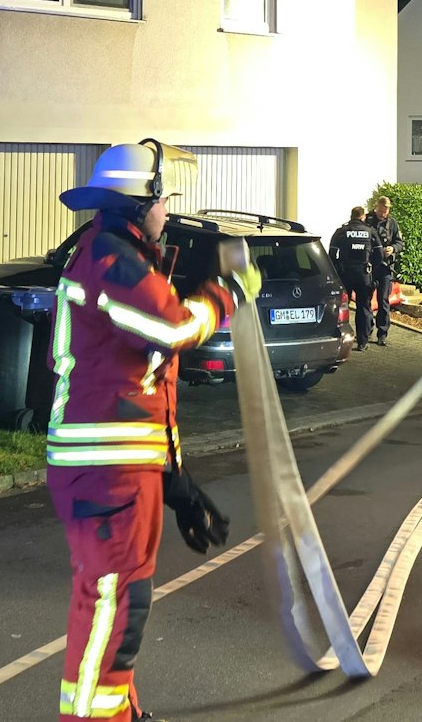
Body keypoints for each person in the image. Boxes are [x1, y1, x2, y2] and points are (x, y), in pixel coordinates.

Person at [48, 140, 262, 722]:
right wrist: (231, 293)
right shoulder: (112, 260)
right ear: (139, 202)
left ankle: (121, 711)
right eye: (164, 198)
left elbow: (142, 392)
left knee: (118, 602)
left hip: (118, 466)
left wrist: (179, 488)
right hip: (106, 470)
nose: (169, 209)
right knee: (115, 606)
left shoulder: (111, 255)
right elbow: (170, 330)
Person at [329, 206, 382, 350]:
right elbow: (379, 254)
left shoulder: (342, 232)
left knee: (341, 307)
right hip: (364, 275)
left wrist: (339, 269)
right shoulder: (370, 231)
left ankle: (338, 339)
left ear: (351, 215)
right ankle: (362, 342)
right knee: (363, 307)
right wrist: (371, 267)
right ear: (363, 216)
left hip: (345, 274)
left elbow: (332, 254)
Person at [365, 195, 406, 344]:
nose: (384, 213)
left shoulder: (392, 223)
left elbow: (400, 243)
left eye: (387, 210)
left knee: (383, 301)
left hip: (385, 268)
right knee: (366, 300)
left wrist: (392, 248)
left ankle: (382, 334)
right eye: (382, 210)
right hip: (370, 266)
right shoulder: (367, 220)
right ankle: (367, 330)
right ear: (377, 207)